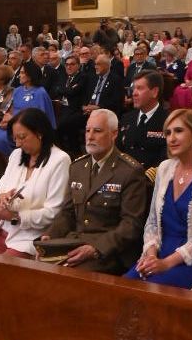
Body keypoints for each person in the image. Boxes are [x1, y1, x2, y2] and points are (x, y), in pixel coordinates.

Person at [37, 107, 149, 272]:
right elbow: (67, 212)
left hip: (108, 250)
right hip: (74, 242)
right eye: (87, 131)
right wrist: (50, 235)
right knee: (36, 266)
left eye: (97, 131)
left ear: (114, 134)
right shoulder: (78, 167)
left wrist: (96, 248)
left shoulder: (129, 171)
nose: (90, 136)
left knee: (68, 274)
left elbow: (131, 225)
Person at [126, 108, 192, 287]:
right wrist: (151, 256)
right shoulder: (164, 168)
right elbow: (152, 221)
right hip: (159, 253)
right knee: (123, 286)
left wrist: (166, 263)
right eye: (168, 133)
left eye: (179, 131)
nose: (171, 138)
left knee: (151, 291)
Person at [0, 110, 70, 256]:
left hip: (33, 238)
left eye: (22, 137)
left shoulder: (60, 160)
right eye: (15, 138)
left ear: (39, 133)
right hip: (4, 231)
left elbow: (53, 213)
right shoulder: (16, 155)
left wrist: (16, 216)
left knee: (0, 270)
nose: (18, 144)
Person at [0, 61, 56, 157]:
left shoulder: (40, 93)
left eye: (22, 73)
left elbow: (41, 118)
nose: (19, 76)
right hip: (12, 126)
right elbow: (10, 109)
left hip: (29, 128)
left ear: (30, 75)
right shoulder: (17, 91)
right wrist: (6, 119)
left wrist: (14, 120)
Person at [120, 70, 171, 171]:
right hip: (124, 176)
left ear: (154, 92)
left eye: (139, 88)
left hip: (151, 180)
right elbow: (118, 150)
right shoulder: (127, 118)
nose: (134, 93)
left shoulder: (168, 121)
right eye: (133, 88)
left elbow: (166, 159)